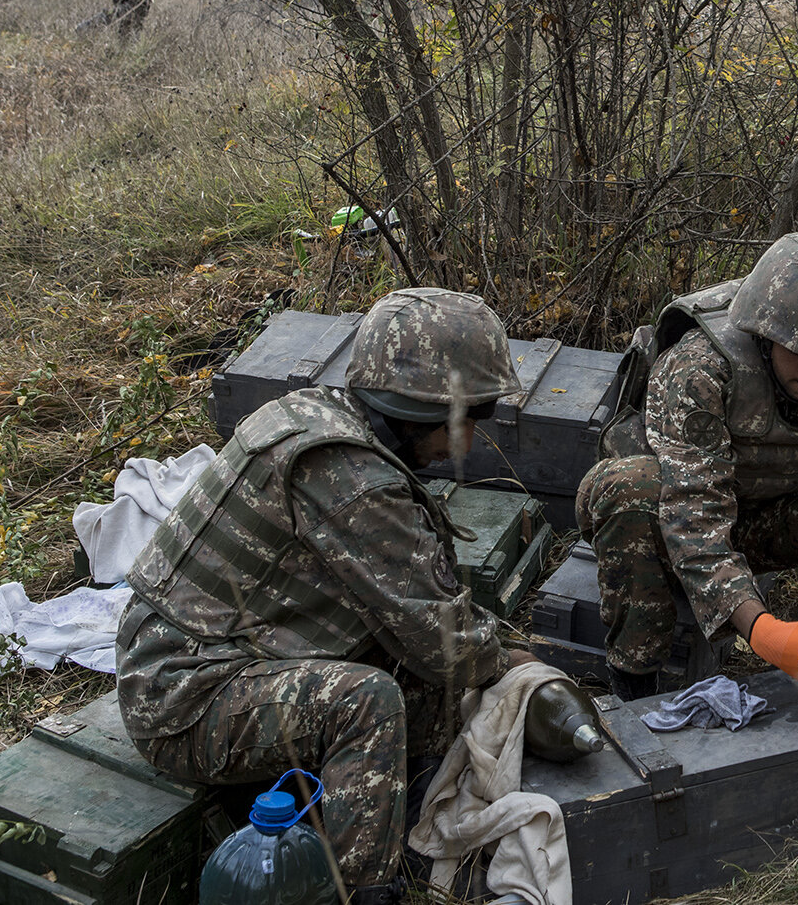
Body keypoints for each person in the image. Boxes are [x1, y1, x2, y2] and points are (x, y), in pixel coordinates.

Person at [116, 288, 525, 905]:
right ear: (420, 411)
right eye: (468, 422)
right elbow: (447, 644)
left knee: (403, 666)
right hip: (181, 698)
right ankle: (362, 889)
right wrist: (517, 663)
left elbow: (420, 604)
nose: (465, 445)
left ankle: (408, 814)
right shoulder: (349, 476)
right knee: (367, 701)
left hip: (202, 655)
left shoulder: (314, 414)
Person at [577, 232, 798, 700]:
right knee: (626, 488)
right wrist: (764, 633)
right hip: (672, 528)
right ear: (765, 334)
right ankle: (635, 680)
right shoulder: (700, 367)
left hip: (775, 521)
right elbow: (692, 512)